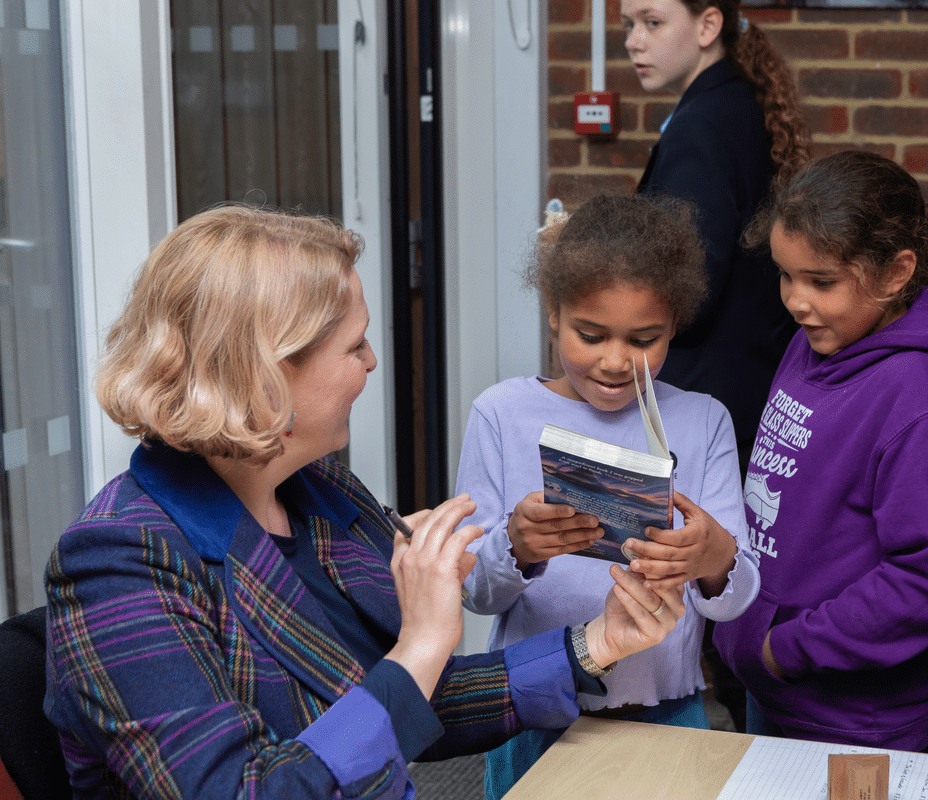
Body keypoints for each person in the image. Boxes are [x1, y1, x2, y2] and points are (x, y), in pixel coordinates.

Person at [42, 205, 686, 800]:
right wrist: (424, 640)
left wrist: (599, 643)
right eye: (354, 346)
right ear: (263, 372)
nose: (374, 362)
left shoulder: (322, 494)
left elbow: (409, 701)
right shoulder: (118, 561)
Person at [457, 193, 760, 798]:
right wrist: (516, 546)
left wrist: (712, 559)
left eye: (644, 339)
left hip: (666, 710)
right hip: (531, 710)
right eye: (590, 335)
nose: (616, 362)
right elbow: (475, 593)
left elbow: (736, 600)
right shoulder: (501, 414)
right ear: (553, 312)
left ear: (674, 322)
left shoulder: (702, 421)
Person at [713, 151, 928, 752]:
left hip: (856, 719)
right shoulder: (817, 339)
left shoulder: (924, 399)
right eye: (786, 275)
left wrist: (783, 650)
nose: (795, 300)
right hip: (776, 689)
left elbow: (921, 582)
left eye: (821, 281)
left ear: (895, 274)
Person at [622, 0, 809, 470]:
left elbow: (690, 288)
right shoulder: (736, 101)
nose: (633, 41)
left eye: (652, 22)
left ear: (708, 25)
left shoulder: (701, 126)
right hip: (748, 383)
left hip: (706, 395)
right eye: (628, 24)